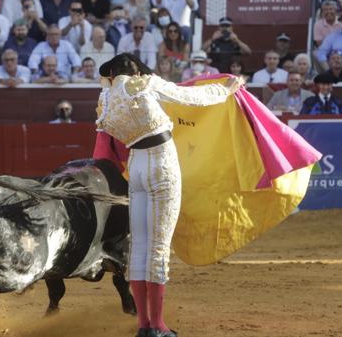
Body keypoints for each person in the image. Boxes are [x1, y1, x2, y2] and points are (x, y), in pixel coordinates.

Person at [96, 53, 243, 337]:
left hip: (136, 166)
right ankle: (158, 326)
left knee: (139, 246)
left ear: (112, 74)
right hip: (161, 163)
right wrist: (227, 89)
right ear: (135, 69)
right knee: (158, 247)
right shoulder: (144, 84)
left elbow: (106, 138)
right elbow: (192, 97)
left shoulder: (105, 101)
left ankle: (142, 325)